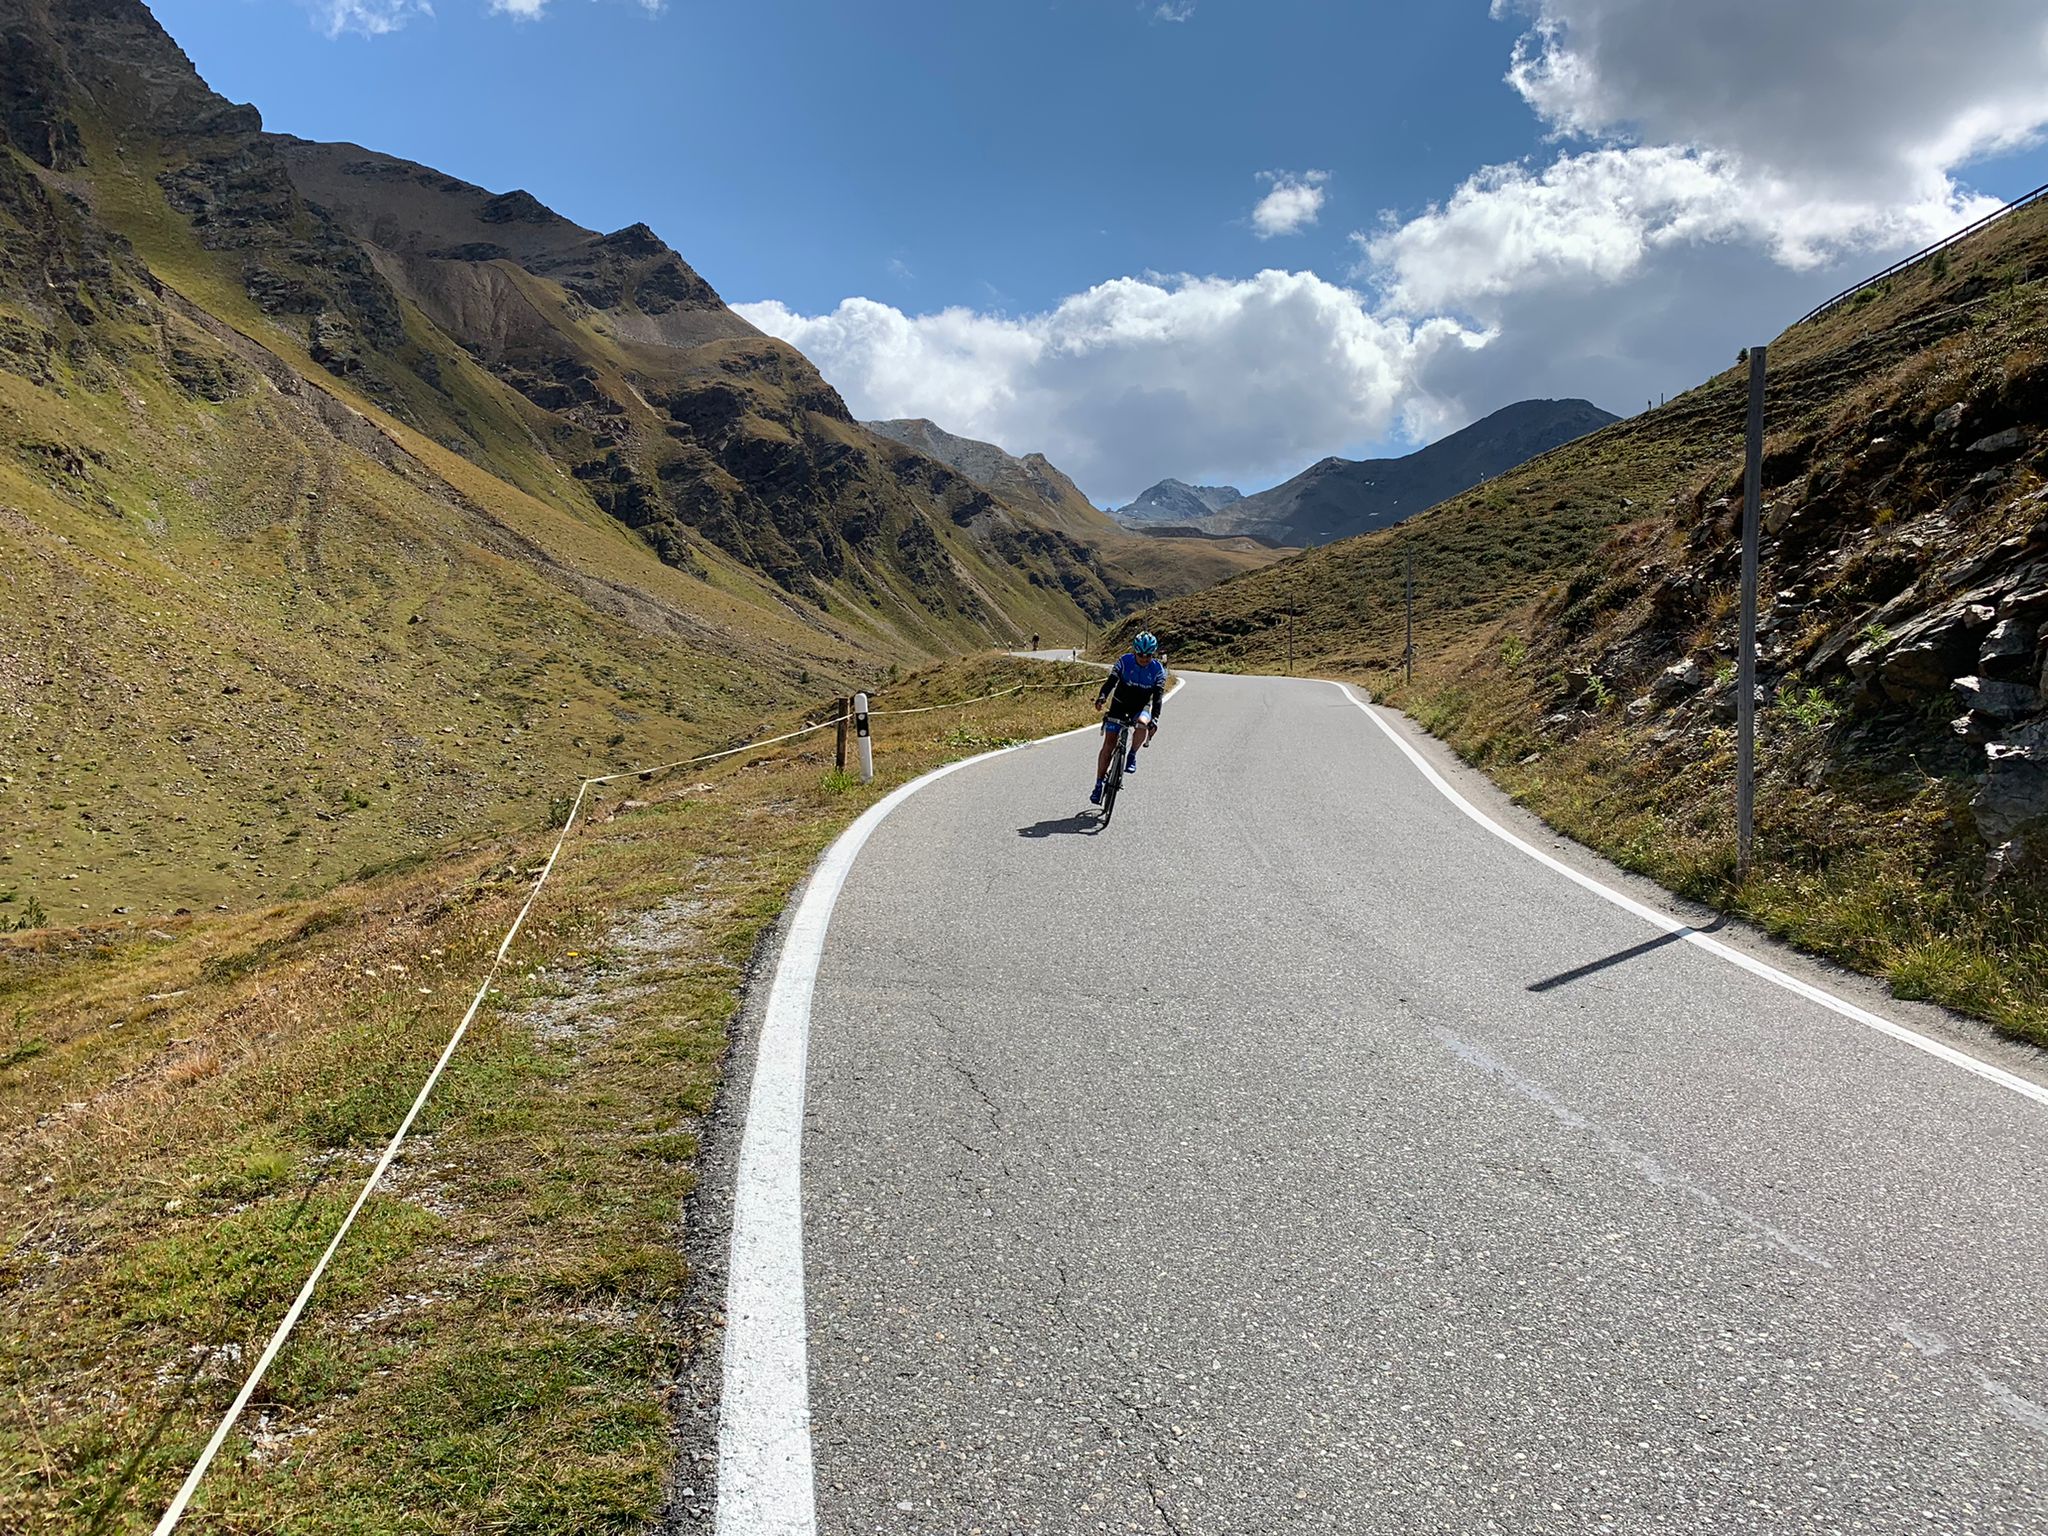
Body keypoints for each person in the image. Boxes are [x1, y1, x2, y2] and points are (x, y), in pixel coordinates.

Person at [1090, 631, 1167, 805]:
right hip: (1119, 705)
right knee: (1109, 745)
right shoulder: (1124, 662)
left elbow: (1157, 698)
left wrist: (1155, 720)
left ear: (1153, 654)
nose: (1144, 658)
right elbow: (1111, 682)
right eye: (1140, 654)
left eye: (1148, 655)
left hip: (1141, 707)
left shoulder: (1158, 671)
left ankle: (1132, 754)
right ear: (1134, 652)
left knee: (1142, 724)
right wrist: (1102, 697)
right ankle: (1098, 784)